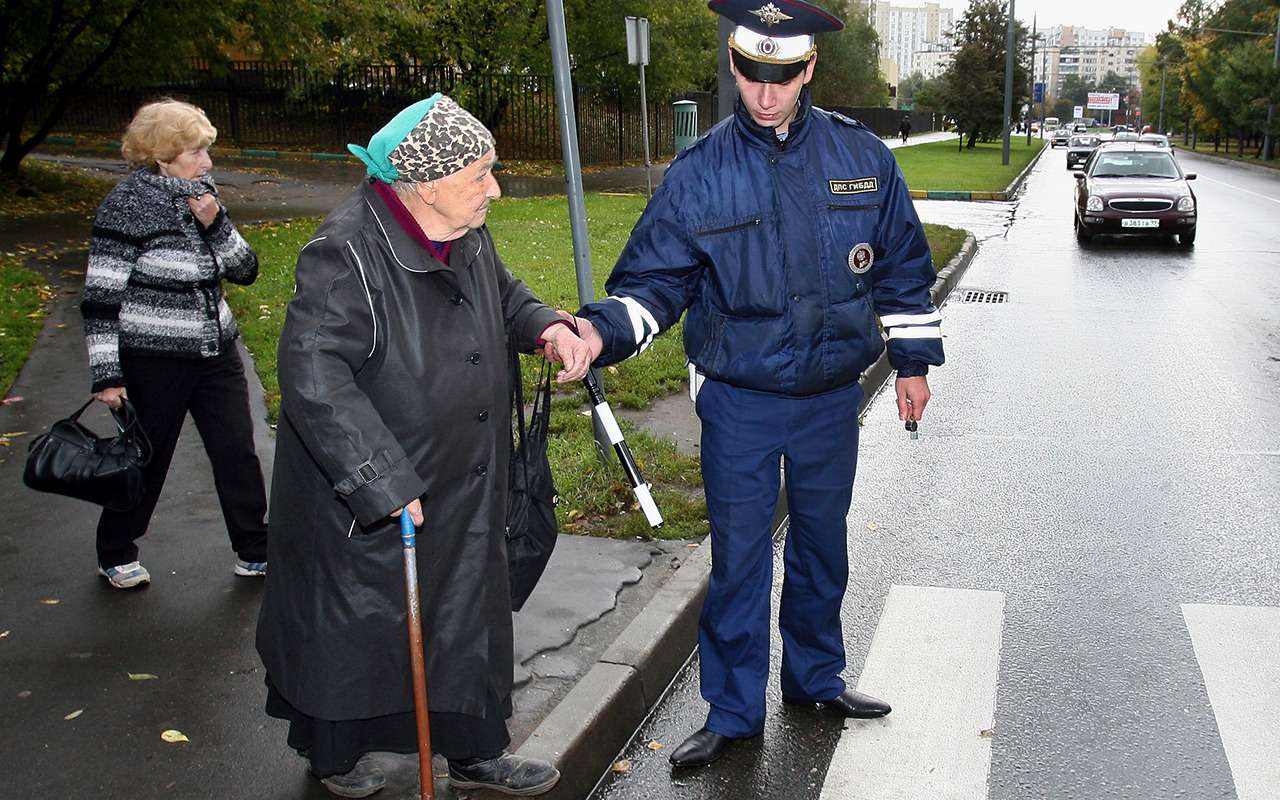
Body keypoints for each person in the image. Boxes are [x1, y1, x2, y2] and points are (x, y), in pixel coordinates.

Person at [565, 0, 945, 769]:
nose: (764, 94)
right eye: (750, 75)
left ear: (809, 69)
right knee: (740, 558)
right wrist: (600, 332)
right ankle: (732, 710)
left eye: (782, 77)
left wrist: (911, 365)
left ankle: (814, 677)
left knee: (821, 546)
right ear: (734, 66)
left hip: (833, 399)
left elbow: (903, 268)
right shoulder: (700, 173)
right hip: (739, 401)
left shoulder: (862, 157)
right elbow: (653, 281)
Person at [255, 94, 592, 798]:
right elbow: (313, 374)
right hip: (372, 489)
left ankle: (475, 751)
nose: (494, 190)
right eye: (481, 175)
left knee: (465, 613)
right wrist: (379, 475)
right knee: (358, 627)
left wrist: (543, 327)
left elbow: (503, 295)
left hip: (461, 479)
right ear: (427, 183)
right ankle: (334, 754)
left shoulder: (462, 230)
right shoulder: (345, 251)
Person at [81, 98, 269, 589]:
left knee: (236, 452)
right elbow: (101, 299)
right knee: (148, 455)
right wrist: (107, 375)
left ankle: (254, 549)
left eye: (205, 150)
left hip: (216, 352)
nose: (206, 162)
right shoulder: (126, 206)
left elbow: (246, 271)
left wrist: (217, 223)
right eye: (193, 152)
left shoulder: (204, 196)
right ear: (161, 157)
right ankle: (116, 550)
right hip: (154, 361)